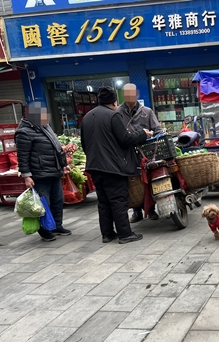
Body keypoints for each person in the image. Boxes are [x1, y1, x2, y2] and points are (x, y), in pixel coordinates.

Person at [81, 86, 152, 244]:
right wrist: (143, 134)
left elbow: (84, 144)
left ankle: (107, 234)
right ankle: (125, 234)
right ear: (114, 102)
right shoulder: (113, 116)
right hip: (113, 167)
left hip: (95, 167)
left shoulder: (87, 117)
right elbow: (125, 139)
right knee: (119, 200)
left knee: (103, 201)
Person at [15, 103, 70, 241]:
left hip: (54, 171)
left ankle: (56, 225)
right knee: (44, 204)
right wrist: (26, 176)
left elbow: (57, 148)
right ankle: (44, 230)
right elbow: (22, 157)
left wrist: (63, 165)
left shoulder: (45, 127)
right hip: (39, 174)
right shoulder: (24, 132)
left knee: (58, 200)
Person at [118, 83, 164, 223]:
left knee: (149, 179)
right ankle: (136, 210)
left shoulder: (147, 112)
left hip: (147, 152)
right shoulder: (118, 112)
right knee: (133, 182)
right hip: (128, 153)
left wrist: (153, 135)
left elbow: (158, 130)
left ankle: (151, 209)